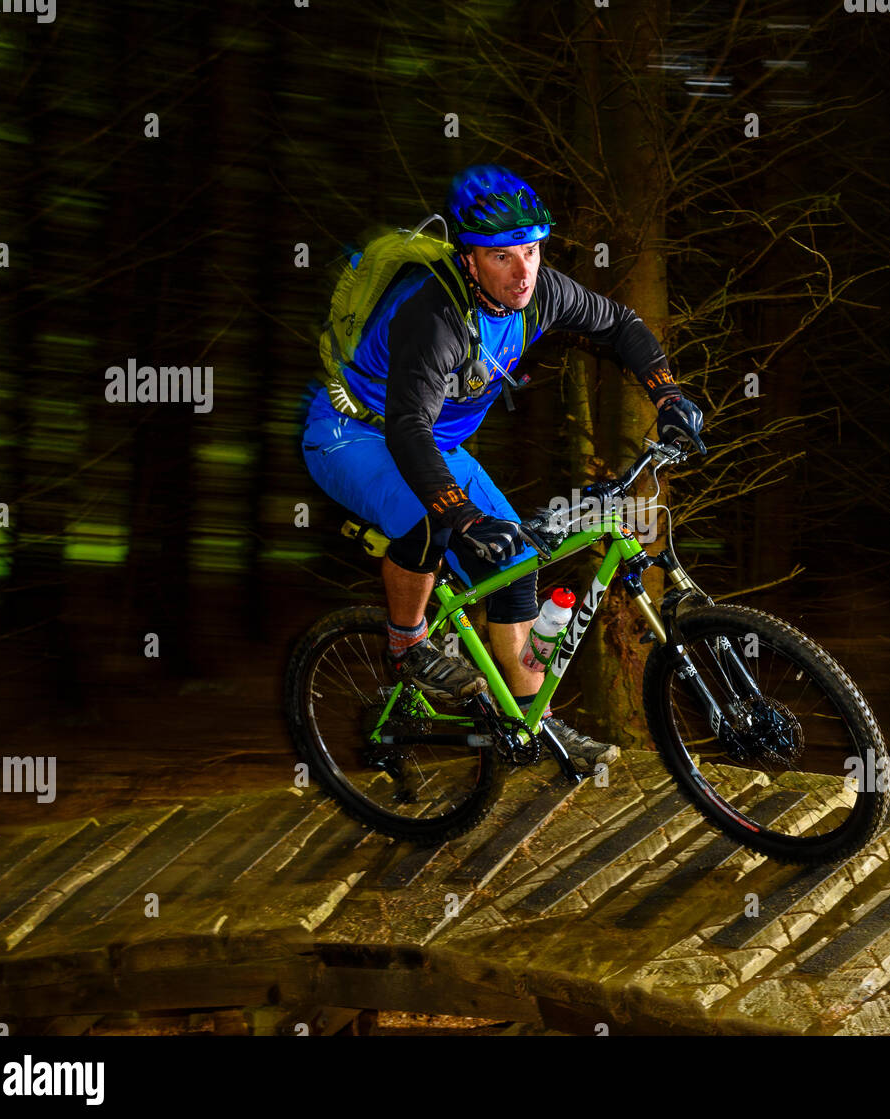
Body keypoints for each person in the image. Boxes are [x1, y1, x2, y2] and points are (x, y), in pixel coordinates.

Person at [302, 164, 705, 768]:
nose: (523, 273)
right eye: (502, 257)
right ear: (469, 259)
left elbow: (623, 326)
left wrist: (669, 394)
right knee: (428, 520)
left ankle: (528, 725)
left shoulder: (539, 293)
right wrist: (460, 514)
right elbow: (408, 430)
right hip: (352, 435)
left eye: (532, 250)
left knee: (517, 560)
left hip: (432, 443)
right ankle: (408, 642)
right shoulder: (434, 315)